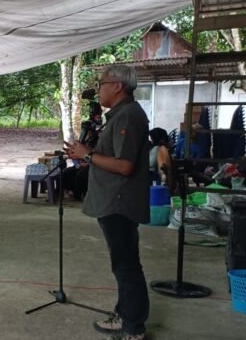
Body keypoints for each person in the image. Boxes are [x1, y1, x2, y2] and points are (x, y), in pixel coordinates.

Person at [65, 65, 150, 340]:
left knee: (126, 265)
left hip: (119, 202)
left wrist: (88, 155)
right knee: (122, 263)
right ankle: (124, 315)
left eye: (102, 83)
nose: (98, 89)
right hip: (113, 200)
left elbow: (125, 166)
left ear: (117, 86)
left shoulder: (128, 116)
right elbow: (112, 156)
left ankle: (134, 328)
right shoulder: (121, 114)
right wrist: (86, 154)